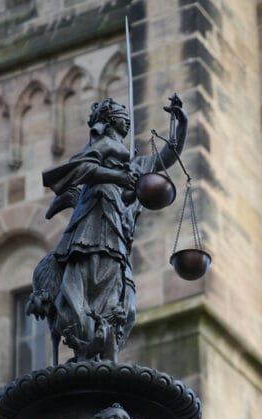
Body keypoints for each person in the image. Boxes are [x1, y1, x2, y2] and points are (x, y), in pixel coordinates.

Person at [33, 96, 187, 362]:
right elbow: (81, 168)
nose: (124, 119)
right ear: (107, 122)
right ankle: (82, 338)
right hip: (90, 227)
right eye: (118, 116)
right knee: (84, 276)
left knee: (116, 290)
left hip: (116, 235)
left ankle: (105, 344)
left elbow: (168, 155)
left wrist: (179, 122)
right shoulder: (99, 148)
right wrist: (116, 177)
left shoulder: (134, 164)